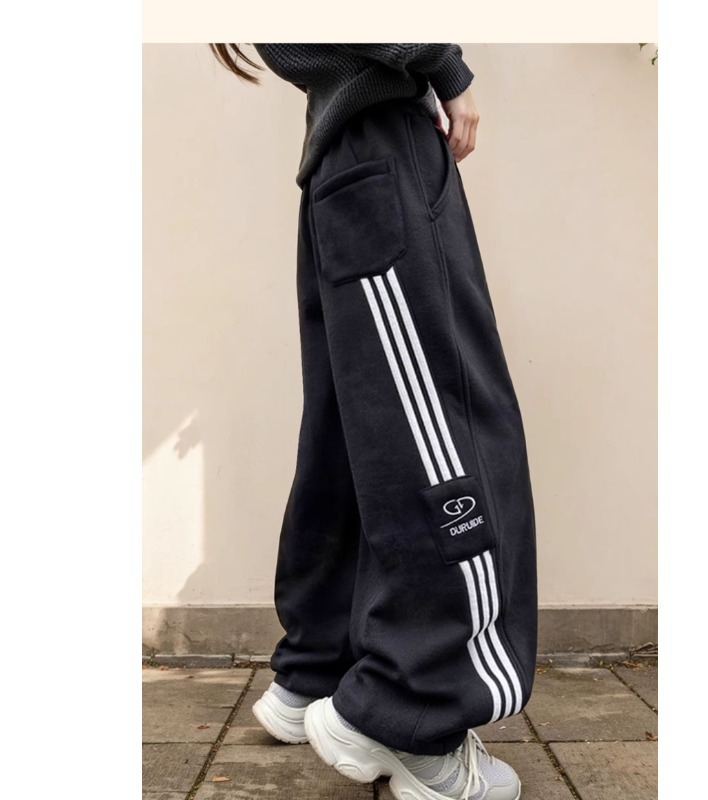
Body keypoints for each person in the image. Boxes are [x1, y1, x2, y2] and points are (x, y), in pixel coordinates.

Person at [209, 43, 539, 800]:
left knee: (358, 432)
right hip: (381, 148)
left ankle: (321, 668)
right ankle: (409, 709)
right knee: (440, 433)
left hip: (348, 157)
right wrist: (448, 70)